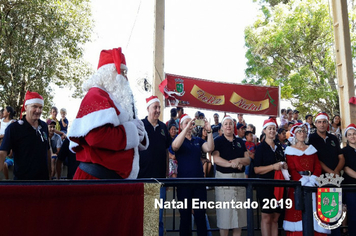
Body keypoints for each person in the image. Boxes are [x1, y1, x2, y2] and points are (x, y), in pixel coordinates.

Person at [68, 47, 148, 180]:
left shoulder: (116, 99)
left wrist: (139, 133)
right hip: (95, 181)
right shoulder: (95, 95)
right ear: (108, 73)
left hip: (112, 181)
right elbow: (96, 137)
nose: (125, 77)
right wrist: (132, 130)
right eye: (122, 72)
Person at [283, 123, 329, 236]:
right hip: (298, 184)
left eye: (303, 131)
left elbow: (317, 166)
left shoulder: (312, 149)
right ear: (294, 134)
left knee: (315, 209)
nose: (302, 133)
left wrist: (313, 179)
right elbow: (291, 169)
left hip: (312, 183)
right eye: (299, 131)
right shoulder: (289, 150)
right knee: (297, 209)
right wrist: (301, 181)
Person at [171, 113, 214, 236]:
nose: (190, 125)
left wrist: (209, 131)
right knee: (185, 217)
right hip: (183, 184)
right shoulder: (178, 139)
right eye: (186, 123)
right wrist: (185, 129)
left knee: (200, 215)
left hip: (199, 184)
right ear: (181, 125)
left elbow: (209, 148)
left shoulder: (198, 140)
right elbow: (174, 146)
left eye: (191, 123)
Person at [212, 116, 250, 236]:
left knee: (239, 218)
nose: (228, 126)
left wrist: (239, 160)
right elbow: (216, 159)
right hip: (224, 180)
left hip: (239, 180)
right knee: (225, 217)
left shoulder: (240, 142)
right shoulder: (217, 141)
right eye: (226, 124)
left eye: (230, 124)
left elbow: (247, 159)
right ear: (222, 127)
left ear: (233, 126)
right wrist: (231, 164)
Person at [0, 91, 51, 180]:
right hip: (22, 182)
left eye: (40, 107)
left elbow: (47, 150)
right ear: (26, 107)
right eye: (34, 106)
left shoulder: (44, 126)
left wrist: (50, 174)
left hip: (43, 181)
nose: (38, 111)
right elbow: (2, 153)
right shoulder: (14, 128)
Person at [308, 112, 344, 236]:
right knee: (324, 212)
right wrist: (331, 173)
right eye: (319, 122)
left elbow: (341, 157)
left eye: (324, 122)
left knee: (336, 211)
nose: (322, 124)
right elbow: (315, 159)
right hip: (320, 179)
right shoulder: (311, 138)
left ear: (327, 123)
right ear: (316, 124)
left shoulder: (333, 138)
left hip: (335, 179)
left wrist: (336, 171)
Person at [254, 118, 288, 236]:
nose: (272, 131)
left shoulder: (279, 147)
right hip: (265, 186)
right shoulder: (260, 148)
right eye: (270, 129)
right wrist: (273, 167)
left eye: (274, 129)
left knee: (275, 218)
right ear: (264, 130)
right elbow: (256, 169)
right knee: (267, 217)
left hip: (279, 186)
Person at [342, 124, 356, 236]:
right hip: (351, 186)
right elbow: (345, 168)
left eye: (354, 134)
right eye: (350, 134)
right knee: (353, 215)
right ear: (346, 137)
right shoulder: (344, 151)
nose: (352, 136)